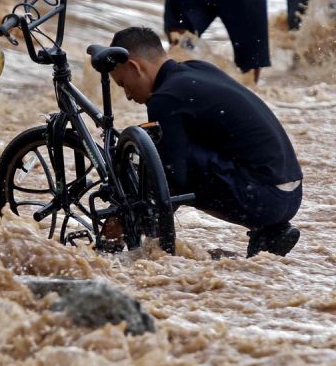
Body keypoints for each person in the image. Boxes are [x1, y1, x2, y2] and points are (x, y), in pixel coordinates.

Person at [108, 27, 302, 257]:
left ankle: (133, 244)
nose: (128, 95)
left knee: (162, 165)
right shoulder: (198, 69)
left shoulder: (164, 99)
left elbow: (171, 178)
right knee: (174, 154)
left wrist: (127, 222)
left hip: (265, 199)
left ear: (134, 66)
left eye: (122, 84)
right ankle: (271, 233)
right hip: (291, 192)